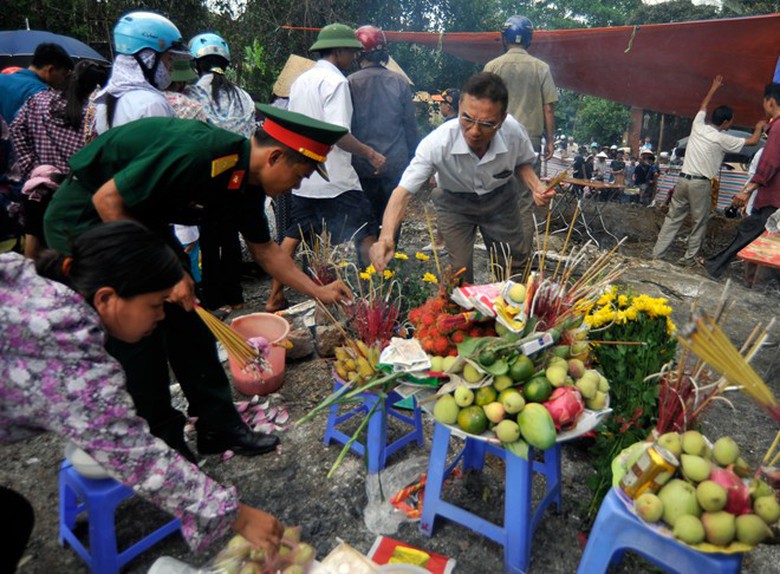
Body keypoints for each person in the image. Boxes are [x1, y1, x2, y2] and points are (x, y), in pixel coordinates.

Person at [43, 108, 353, 462]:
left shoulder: (247, 185)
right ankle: (163, 445)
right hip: (89, 217)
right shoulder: (198, 152)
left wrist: (319, 291)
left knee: (192, 319)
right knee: (139, 334)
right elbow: (108, 201)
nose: (296, 186)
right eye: (298, 176)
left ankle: (217, 427)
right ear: (276, 156)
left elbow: (266, 251)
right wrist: (165, 274)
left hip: (141, 222)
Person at [0, 222, 284, 570]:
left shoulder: (34, 286)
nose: (162, 316)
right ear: (106, 298)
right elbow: (132, 452)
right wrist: (236, 516)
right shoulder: (69, 350)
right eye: (154, 305)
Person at [369, 72, 553, 282]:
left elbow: (522, 161)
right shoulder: (438, 143)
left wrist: (536, 186)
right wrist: (386, 238)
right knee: (459, 272)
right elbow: (402, 193)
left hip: (501, 200)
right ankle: (464, 313)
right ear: (459, 108)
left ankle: (510, 312)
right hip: (454, 204)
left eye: (486, 124)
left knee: (514, 265)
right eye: (467, 118)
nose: (474, 131)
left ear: (501, 119)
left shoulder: (513, 132)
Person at [265, 23, 385, 312]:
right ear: (341, 50)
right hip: (335, 177)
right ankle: (378, 291)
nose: (354, 57)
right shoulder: (337, 83)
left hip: (304, 175)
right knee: (367, 230)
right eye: (352, 52)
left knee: (293, 236)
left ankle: (274, 296)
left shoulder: (301, 81)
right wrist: (370, 153)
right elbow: (338, 134)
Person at [652, 75, 764, 267]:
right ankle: (688, 259)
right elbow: (753, 142)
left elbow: (703, 106)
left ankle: (657, 254)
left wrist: (714, 88)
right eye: (731, 122)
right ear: (726, 122)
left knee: (672, 218)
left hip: (682, 180)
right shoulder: (722, 138)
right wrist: (759, 127)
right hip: (699, 184)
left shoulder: (698, 126)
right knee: (699, 222)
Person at [186, 32, 256, 313]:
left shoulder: (190, 95)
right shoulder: (243, 96)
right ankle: (235, 296)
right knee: (230, 237)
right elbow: (250, 134)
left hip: (205, 180)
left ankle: (214, 299)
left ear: (196, 64)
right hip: (237, 179)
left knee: (208, 240)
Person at [10, 60, 109, 257]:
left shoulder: (38, 101)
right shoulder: (92, 113)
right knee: (66, 252)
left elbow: (15, 130)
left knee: (33, 249)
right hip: (73, 192)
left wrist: (32, 168)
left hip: (38, 187)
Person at [484, 15, 557, 261]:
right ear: (529, 39)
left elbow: (482, 105)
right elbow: (549, 107)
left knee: (495, 195)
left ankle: (498, 255)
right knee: (525, 200)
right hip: (530, 141)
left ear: (504, 38)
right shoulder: (541, 68)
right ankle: (521, 257)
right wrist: (551, 139)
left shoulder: (493, 66)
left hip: (496, 139)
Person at [348, 25, 418, 245]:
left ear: (358, 53)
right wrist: (415, 160)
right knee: (391, 218)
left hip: (361, 166)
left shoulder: (349, 83)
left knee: (364, 222)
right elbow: (410, 126)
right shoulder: (400, 82)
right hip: (395, 164)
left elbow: (346, 127)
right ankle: (389, 265)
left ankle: (367, 271)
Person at [703, 83, 780, 279]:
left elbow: (768, 164)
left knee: (749, 233)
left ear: (770, 102)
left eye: (764, 102)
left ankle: (715, 267)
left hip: (773, 199)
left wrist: (747, 191)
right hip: (772, 198)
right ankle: (715, 266)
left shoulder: (778, 128)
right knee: (751, 233)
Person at [90, 11, 189, 136]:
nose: (171, 68)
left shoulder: (104, 101)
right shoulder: (152, 105)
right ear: (149, 58)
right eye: (169, 59)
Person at [0, 42, 74, 122]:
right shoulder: (42, 94)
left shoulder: (2, 78)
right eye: (63, 74)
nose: (63, 79)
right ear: (50, 70)